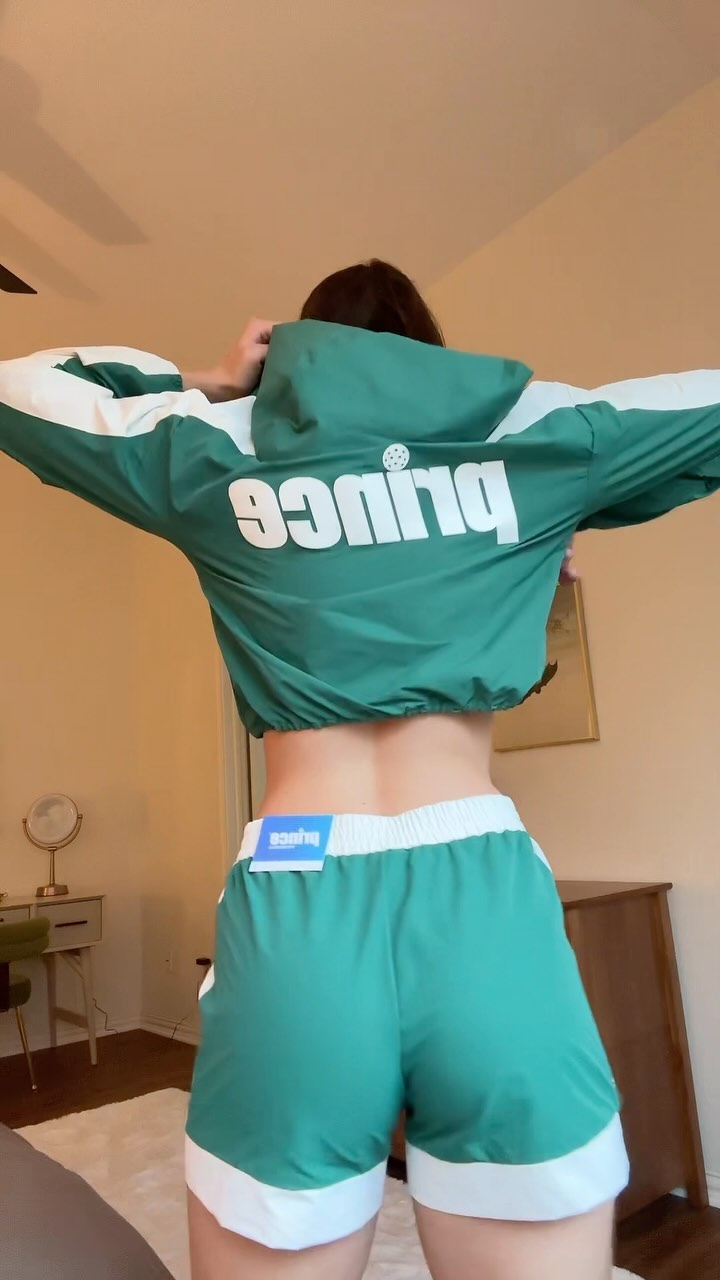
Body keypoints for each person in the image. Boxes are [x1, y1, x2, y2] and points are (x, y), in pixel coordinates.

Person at [1, 260, 718, 1280]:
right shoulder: (525, 431)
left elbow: (21, 386)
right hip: (483, 899)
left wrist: (206, 380)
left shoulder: (220, 444)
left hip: (301, 888)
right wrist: (529, 526)